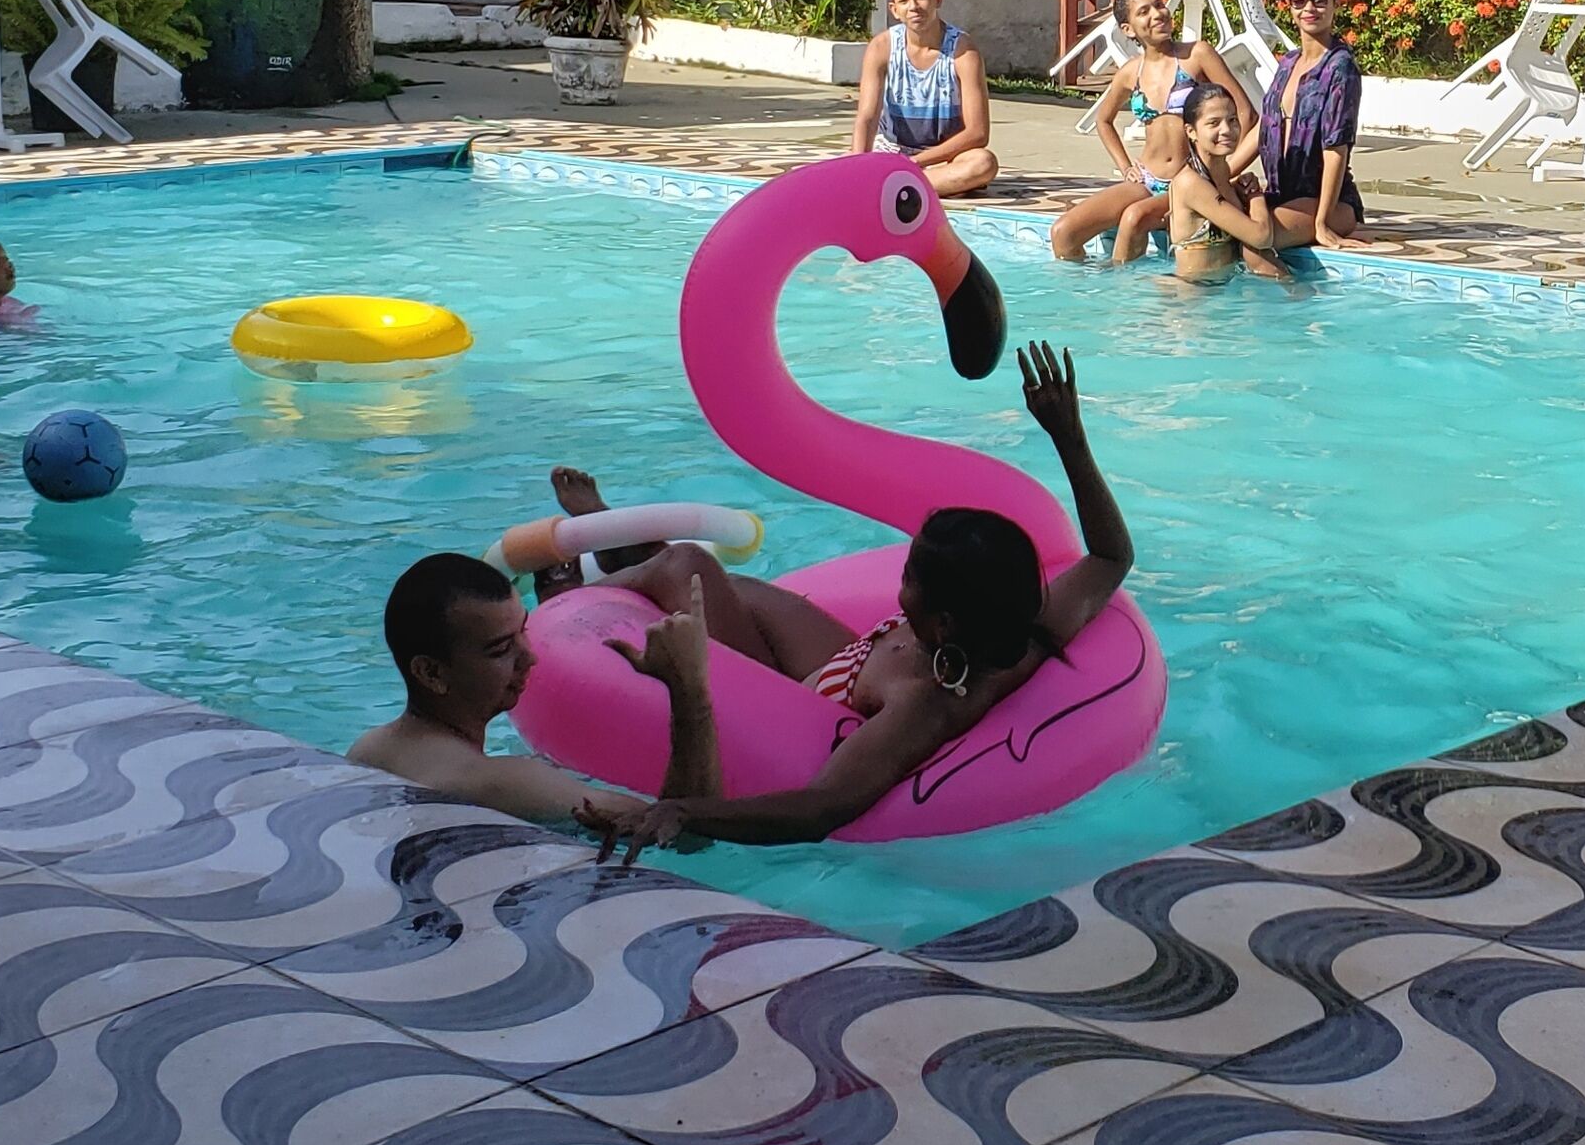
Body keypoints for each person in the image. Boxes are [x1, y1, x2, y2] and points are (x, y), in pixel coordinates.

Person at [579, 342, 1130, 857]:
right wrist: (1068, 436)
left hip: (816, 691)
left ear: (943, 623)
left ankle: (569, 599)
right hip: (853, 655)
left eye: (911, 574)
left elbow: (821, 810)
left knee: (690, 567)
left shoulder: (922, 702)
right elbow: (1111, 557)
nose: (900, 579)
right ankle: (635, 553)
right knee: (728, 587)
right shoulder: (1022, 625)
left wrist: (684, 811)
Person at [349, 551, 644, 825]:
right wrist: (685, 687)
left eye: (523, 631)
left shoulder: (368, 751)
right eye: (501, 649)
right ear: (431, 673)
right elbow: (669, 829)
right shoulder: (498, 783)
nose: (530, 657)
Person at [1051, 0, 1258, 266]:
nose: (1158, 14)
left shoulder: (1196, 55)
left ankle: (1127, 297)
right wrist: (1125, 167)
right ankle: (1089, 300)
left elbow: (1246, 113)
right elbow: (1104, 120)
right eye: (1144, 11)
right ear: (1128, 29)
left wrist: (1222, 173)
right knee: (1064, 233)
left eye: (1159, 5)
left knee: (1134, 218)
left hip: (1188, 182)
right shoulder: (1130, 73)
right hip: (1147, 180)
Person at [850, 0, 997, 197]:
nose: (914, 7)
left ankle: (891, 186)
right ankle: (900, 185)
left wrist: (914, 163)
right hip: (892, 153)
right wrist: (856, 167)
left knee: (983, 164)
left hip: (945, 157)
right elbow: (867, 118)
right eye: (904, 1)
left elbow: (978, 132)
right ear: (894, 9)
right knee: (851, 163)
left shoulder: (963, 51)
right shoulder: (882, 47)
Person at [1261, 0, 1374, 250]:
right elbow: (1265, 124)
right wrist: (1217, 175)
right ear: (1290, 7)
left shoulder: (1340, 67)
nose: (1309, 9)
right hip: (1282, 195)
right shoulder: (1288, 62)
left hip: (1329, 203)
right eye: (1299, 1)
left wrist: (1322, 222)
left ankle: (1289, 292)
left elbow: (1336, 149)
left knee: (1258, 239)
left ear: (1335, 2)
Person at [1166, 85, 1286, 283]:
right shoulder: (1190, 183)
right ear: (1191, 131)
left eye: (1232, 120)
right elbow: (1261, 237)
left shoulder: (1223, 177)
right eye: (1214, 123)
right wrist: (1255, 196)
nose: (1227, 130)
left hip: (1224, 292)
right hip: (1194, 300)